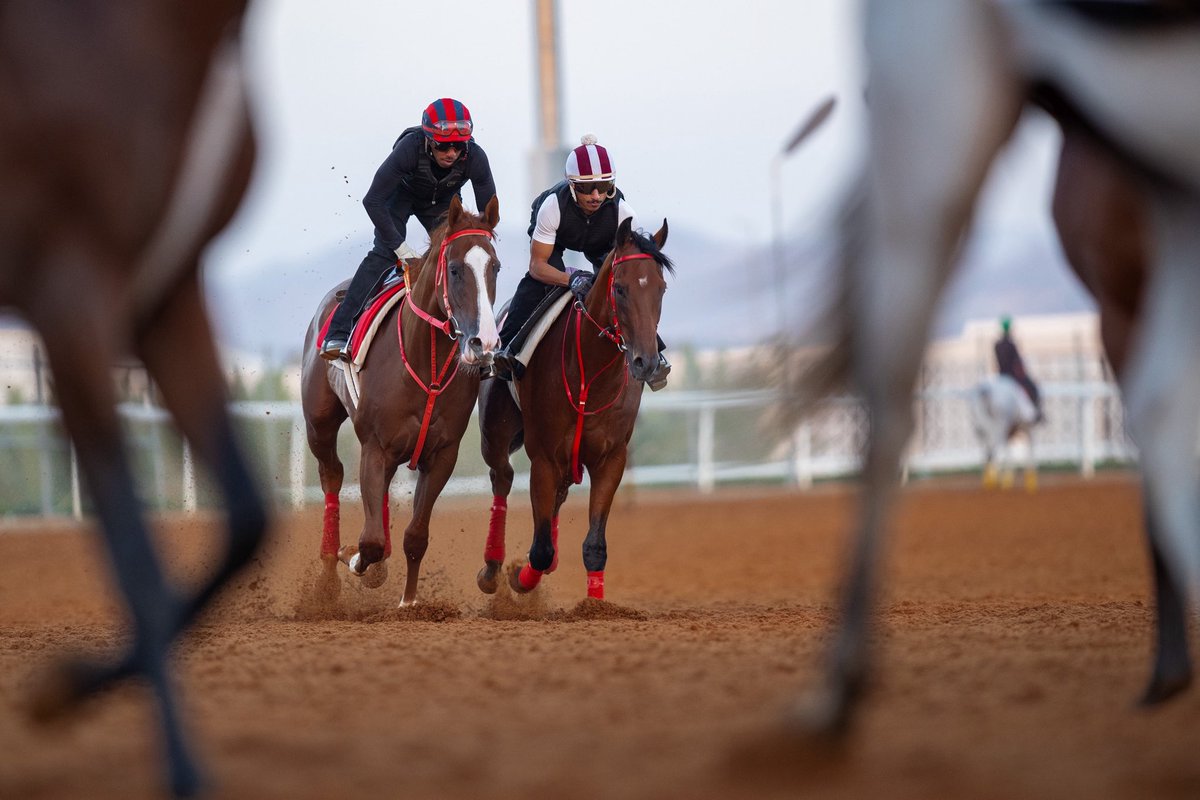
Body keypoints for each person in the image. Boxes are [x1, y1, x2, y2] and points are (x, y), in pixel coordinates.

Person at [321, 98, 497, 361]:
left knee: (471, 261)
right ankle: (339, 330)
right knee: (383, 254)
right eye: (443, 146)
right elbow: (373, 200)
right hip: (400, 197)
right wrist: (400, 248)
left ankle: (481, 336)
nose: (451, 153)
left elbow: (487, 215)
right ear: (428, 140)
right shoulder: (408, 149)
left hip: (441, 204)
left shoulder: (476, 156)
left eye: (459, 147)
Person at [491, 134, 671, 390]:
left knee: (629, 290)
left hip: (602, 242)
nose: (596, 195)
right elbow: (538, 266)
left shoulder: (624, 213)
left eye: (605, 186)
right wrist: (570, 278)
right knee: (539, 285)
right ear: (572, 186)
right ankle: (508, 348)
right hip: (559, 237)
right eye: (586, 188)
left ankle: (655, 354)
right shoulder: (552, 206)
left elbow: (633, 272)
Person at [994, 315, 1044, 422]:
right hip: (1012, 376)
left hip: (1001, 376)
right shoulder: (1011, 344)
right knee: (1032, 388)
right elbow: (1017, 362)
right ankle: (1034, 414)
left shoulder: (997, 344)